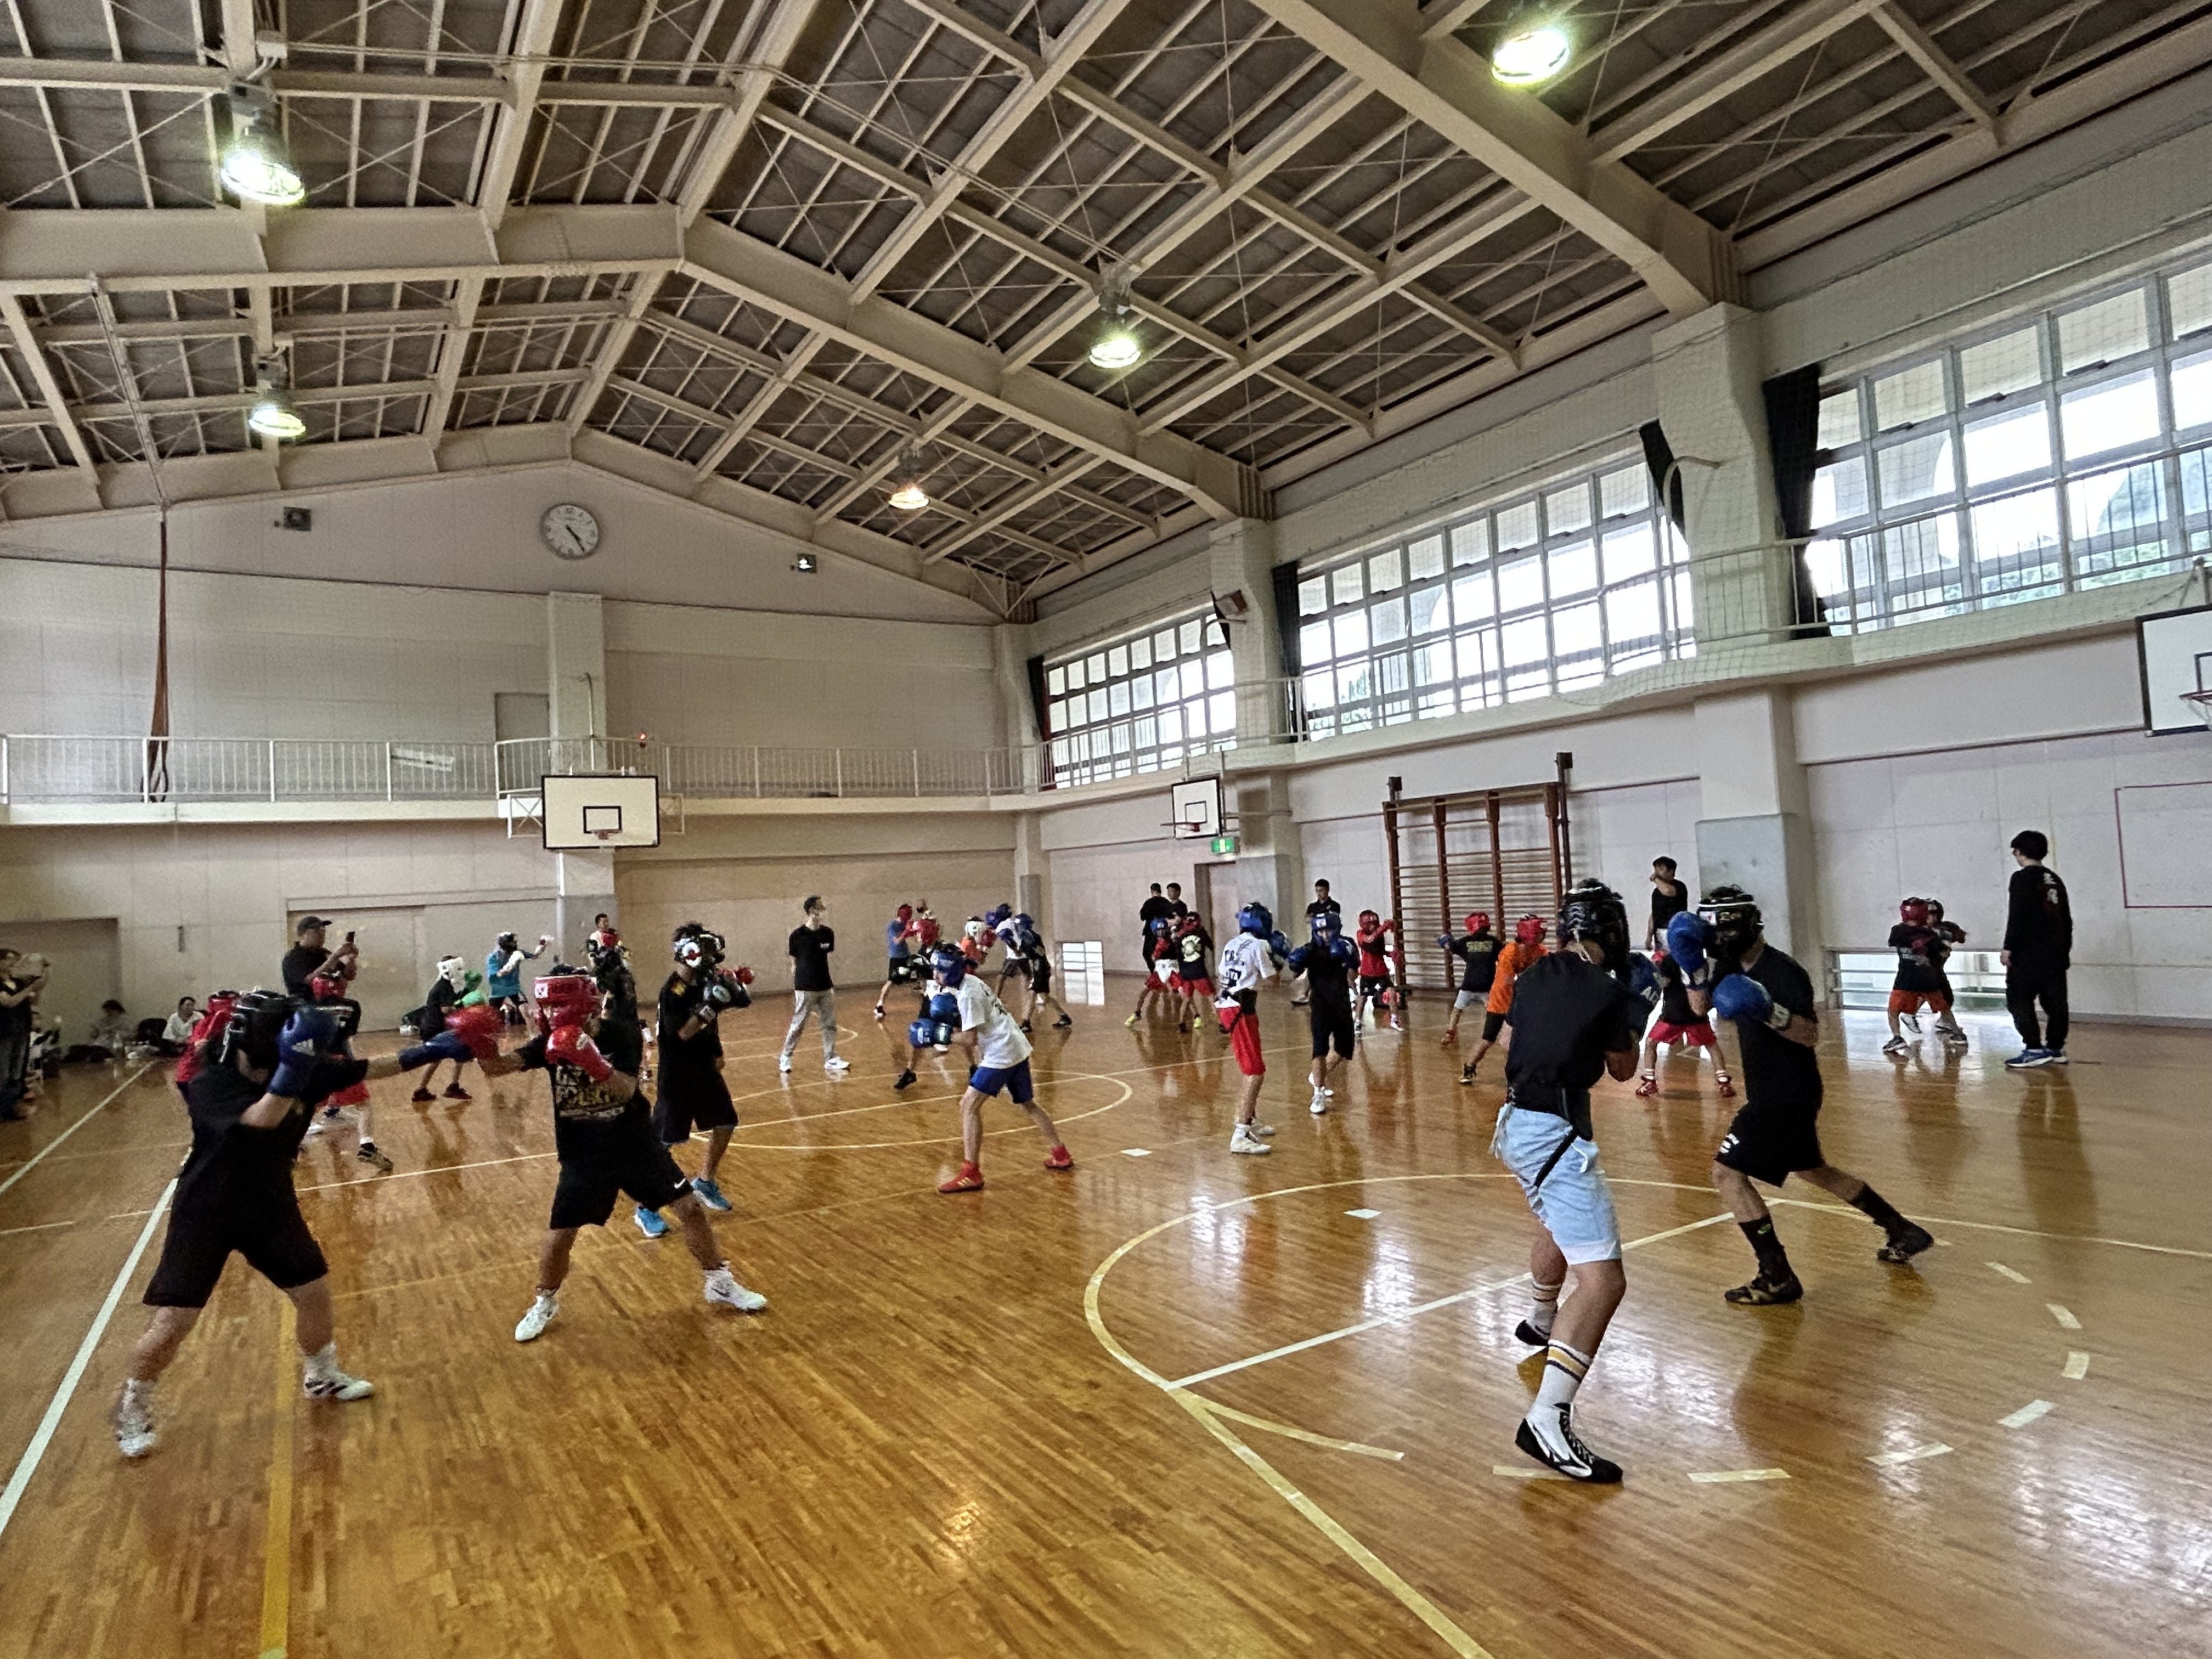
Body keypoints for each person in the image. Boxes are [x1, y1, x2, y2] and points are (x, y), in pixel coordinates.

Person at [110, 989, 504, 1457]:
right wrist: (295, 1069)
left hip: (270, 1204)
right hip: (207, 1210)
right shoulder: (212, 1081)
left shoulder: (303, 1068)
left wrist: (435, 1048)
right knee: (175, 1321)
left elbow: (371, 1068)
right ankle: (131, 1403)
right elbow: (262, 1119)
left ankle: (321, 1375)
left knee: (313, 1292)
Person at [1672, 887, 1934, 1306]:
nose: (1717, 942)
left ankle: (1776, 1276)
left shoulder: (1783, 972)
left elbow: (1810, 1035)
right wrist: (1692, 969)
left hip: (1786, 1093)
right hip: (1772, 1088)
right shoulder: (1728, 965)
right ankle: (1902, 1230)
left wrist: (1767, 1010)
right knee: (1813, 1170)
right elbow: (1700, 1009)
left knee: (1726, 1174)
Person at [482, 973, 767, 1343]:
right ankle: (544, 1301)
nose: (549, 1015)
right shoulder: (548, 1041)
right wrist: (477, 1042)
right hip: (583, 1153)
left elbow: (626, 1088)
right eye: (546, 1007)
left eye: (556, 1006)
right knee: (561, 1235)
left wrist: (589, 1059)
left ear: (581, 1006)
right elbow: (497, 1068)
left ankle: (719, 1281)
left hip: (635, 1144)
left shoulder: (621, 1034)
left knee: (690, 1208)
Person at [1493, 881, 1654, 1482]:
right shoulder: (1608, 989)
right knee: (1604, 1282)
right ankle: (1548, 1419)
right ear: (1612, 932)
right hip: (1554, 1133)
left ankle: (1541, 1320)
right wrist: (1634, 1011)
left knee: (1555, 1224)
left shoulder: (1533, 973)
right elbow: (1623, 1071)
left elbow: (1508, 1039)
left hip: (1516, 1120)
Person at [927, 946, 1073, 1193]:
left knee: (968, 1105)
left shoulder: (968, 994)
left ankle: (971, 1172)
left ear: (949, 972)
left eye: (938, 971)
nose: (935, 975)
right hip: (1015, 1044)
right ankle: (1060, 1153)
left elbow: (970, 1039)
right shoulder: (971, 981)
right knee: (1027, 1103)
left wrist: (940, 1035)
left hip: (1001, 1052)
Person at [636, 926, 751, 1235]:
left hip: (704, 1068)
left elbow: (732, 1006)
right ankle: (646, 1206)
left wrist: (736, 986)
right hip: (678, 1074)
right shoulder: (672, 991)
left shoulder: (704, 981)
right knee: (665, 1141)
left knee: (726, 1122)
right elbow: (684, 1033)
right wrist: (711, 1006)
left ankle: (706, 1181)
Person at [1216, 903, 1289, 1155]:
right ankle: (1240, 1133)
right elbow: (1273, 982)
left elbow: (1223, 975)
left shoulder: (1231, 944)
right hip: (1239, 1008)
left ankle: (1250, 1119)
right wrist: (1280, 959)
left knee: (1252, 1066)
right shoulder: (1259, 946)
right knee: (1254, 1072)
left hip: (1231, 1005)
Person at [2001, 831, 2072, 1069]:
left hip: (2029, 953)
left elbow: (2017, 915)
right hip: (2056, 952)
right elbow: (2066, 919)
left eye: (2015, 852)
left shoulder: (2021, 878)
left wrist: (2009, 947)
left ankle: (2033, 1048)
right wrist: (2064, 949)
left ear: (2020, 852)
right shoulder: (2054, 879)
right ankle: (2055, 1047)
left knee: (2019, 999)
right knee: (2056, 1002)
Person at [1634, 947, 1733, 1099]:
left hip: (1674, 1014)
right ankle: (1724, 1082)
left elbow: (1664, 983)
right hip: (1696, 1013)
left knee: (1651, 1043)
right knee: (1712, 1046)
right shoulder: (1701, 961)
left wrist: (1656, 971)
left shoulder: (1670, 960)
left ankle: (1649, 1082)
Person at [1286, 910, 1357, 1114]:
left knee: (1344, 1050)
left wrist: (1347, 958)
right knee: (1320, 1049)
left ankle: (1317, 1076)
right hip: (1320, 1006)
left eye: (1328, 931)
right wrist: (1293, 961)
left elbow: (1354, 973)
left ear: (1337, 929)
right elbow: (1295, 974)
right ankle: (1318, 1093)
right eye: (1321, 931)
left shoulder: (1347, 944)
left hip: (1342, 1004)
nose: (1325, 935)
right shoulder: (1310, 950)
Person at [1462, 914, 1547, 1084]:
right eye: (1538, 933)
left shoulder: (1541, 951)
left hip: (1521, 1003)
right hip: (1501, 1002)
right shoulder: (1509, 952)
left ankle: (1518, 1073)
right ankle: (1469, 1068)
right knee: (1488, 1039)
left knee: (1519, 1040)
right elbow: (1507, 980)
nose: (1541, 936)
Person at [1883, 898, 1964, 1054]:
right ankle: (1957, 1033)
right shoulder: (1928, 934)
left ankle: (1897, 1036)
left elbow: (1894, 941)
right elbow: (1939, 951)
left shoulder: (1903, 930)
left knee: (1894, 1010)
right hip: (1923, 979)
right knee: (1943, 1008)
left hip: (1912, 979)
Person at [779, 896, 848, 1075]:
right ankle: (786, 1056)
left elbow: (825, 955)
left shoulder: (828, 933)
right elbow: (793, 960)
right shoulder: (797, 936)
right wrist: (798, 978)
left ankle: (831, 1058)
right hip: (805, 987)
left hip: (825, 986)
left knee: (829, 1024)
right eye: (820, 908)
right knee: (798, 1024)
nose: (823, 911)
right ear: (811, 911)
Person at [410, 957, 477, 1102]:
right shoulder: (444, 987)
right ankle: (424, 1089)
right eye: (458, 968)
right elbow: (446, 1009)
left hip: (435, 1026)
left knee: (459, 1052)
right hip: (434, 1027)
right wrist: (463, 1005)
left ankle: (448, 1087)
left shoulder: (444, 985)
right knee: (438, 1058)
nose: (461, 972)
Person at [1438, 912, 1499, 1045]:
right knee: (1493, 1011)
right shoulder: (1494, 942)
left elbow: (1448, 945)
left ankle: (1450, 1034)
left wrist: (1445, 940)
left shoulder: (1466, 942)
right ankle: (1493, 1035)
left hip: (1471, 984)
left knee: (1457, 1010)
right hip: (1487, 985)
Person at [1005, 913, 1072, 1032]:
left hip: (1040, 968)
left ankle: (1026, 1023)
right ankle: (1064, 1016)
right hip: (1038, 967)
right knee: (1045, 997)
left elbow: (1040, 953)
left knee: (1032, 994)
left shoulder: (1031, 937)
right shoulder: (1026, 937)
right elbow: (1022, 953)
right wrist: (1012, 945)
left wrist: (1030, 945)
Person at [0, 947, 44, 1120]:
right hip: (4, 1032)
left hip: (21, 1030)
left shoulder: (18, 983)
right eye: (9, 959)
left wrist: (44, 972)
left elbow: (34, 998)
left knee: (17, 1072)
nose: (13, 963)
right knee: (3, 1072)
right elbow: (9, 1002)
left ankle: (13, 1106)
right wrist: (27, 989)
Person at [484, 931, 553, 1027]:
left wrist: (542, 944)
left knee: (524, 1008)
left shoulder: (517, 953)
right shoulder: (494, 958)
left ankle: (531, 1031)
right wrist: (509, 966)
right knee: (492, 1015)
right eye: (512, 942)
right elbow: (497, 975)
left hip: (513, 987)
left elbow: (534, 956)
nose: (515, 944)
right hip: (499, 989)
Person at [1293, 879, 1343, 1006]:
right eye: (1317, 891)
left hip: (1331, 943)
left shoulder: (1334, 905)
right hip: (1316, 941)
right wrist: (1320, 918)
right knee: (1311, 966)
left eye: (1321, 891)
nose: (1319, 894)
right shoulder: (1313, 906)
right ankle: (1305, 994)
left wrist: (1317, 918)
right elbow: (1307, 918)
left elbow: (1332, 920)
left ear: (1327, 890)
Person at [1124, 917, 1180, 1028]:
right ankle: (1137, 1013)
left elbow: (1173, 953)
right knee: (1144, 991)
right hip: (1159, 971)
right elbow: (1153, 958)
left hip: (1171, 970)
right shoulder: (1154, 943)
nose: (1161, 932)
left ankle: (1191, 1016)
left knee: (1177, 994)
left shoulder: (1171, 941)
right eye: (1159, 931)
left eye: (1163, 930)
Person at [1353, 910, 1400, 1030]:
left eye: (1374, 924)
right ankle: (1357, 1022)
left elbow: (1378, 950)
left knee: (1392, 993)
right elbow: (1369, 941)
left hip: (1381, 972)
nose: (1373, 926)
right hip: (1367, 973)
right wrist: (1383, 928)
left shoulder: (1379, 934)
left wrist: (1390, 954)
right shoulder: (1361, 934)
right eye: (1370, 924)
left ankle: (1394, 1020)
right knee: (1363, 998)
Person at [1170, 913, 1215, 1034]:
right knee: (1211, 997)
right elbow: (1211, 946)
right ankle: (1223, 1024)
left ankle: (1181, 1025)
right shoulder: (1201, 934)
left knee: (1187, 999)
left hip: (1185, 972)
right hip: (1198, 971)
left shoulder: (1181, 937)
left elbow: (1178, 955)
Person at [876, 902, 919, 1019]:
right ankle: (880, 1005)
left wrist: (915, 931)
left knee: (919, 974)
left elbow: (915, 940)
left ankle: (926, 1002)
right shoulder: (893, 926)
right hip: (896, 957)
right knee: (891, 981)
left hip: (906, 955)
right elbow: (897, 941)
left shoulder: (906, 924)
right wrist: (906, 932)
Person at [280, 916, 338, 1000]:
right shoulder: (293, 957)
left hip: (326, 999)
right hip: (304, 1001)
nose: (321, 936)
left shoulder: (322, 953)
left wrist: (348, 958)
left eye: (323, 932)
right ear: (303, 934)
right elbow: (309, 980)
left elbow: (346, 974)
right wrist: (333, 958)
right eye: (317, 932)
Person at [63, 1000, 132, 1063]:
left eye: (110, 1011)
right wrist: (95, 1032)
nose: (108, 1013)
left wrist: (114, 1032)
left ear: (117, 1010)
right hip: (98, 1043)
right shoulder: (104, 1020)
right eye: (107, 1011)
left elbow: (129, 1034)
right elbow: (96, 1031)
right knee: (76, 1049)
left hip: (111, 1045)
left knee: (97, 1052)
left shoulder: (125, 1021)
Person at [1645, 857, 1688, 951]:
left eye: (1661, 869)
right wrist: (1649, 936)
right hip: (1659, 934)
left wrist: (1655, 879)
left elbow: (1668, 892)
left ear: (1671, 871)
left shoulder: (1679, 886)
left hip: (1676, 931)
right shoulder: (1656, 892)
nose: (1657, 873)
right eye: (1656, 870)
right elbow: (1654, 913)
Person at [1137, 883, 1175, 970]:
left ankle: (1154, 972)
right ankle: (1164, 971)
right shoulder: (1166, 902)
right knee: (1164, 952)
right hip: (1164, 932)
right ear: (1160, 891)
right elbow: (1172, 916)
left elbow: (1143, 917)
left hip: (1151, 932)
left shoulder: (1148, 903)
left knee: (1148, 953)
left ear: (1152, 891)